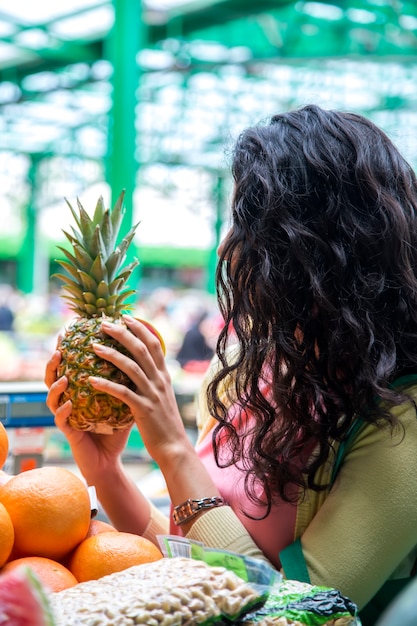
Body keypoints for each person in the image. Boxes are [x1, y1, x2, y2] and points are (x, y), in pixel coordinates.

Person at [45, 105, 417, 626]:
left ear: (317, 249)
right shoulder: (247, 369)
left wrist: (174, 449)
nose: (226, 247)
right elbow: (191, 568)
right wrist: (105, 471)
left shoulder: (402, 418)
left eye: (246, 223)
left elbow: (299, 613)